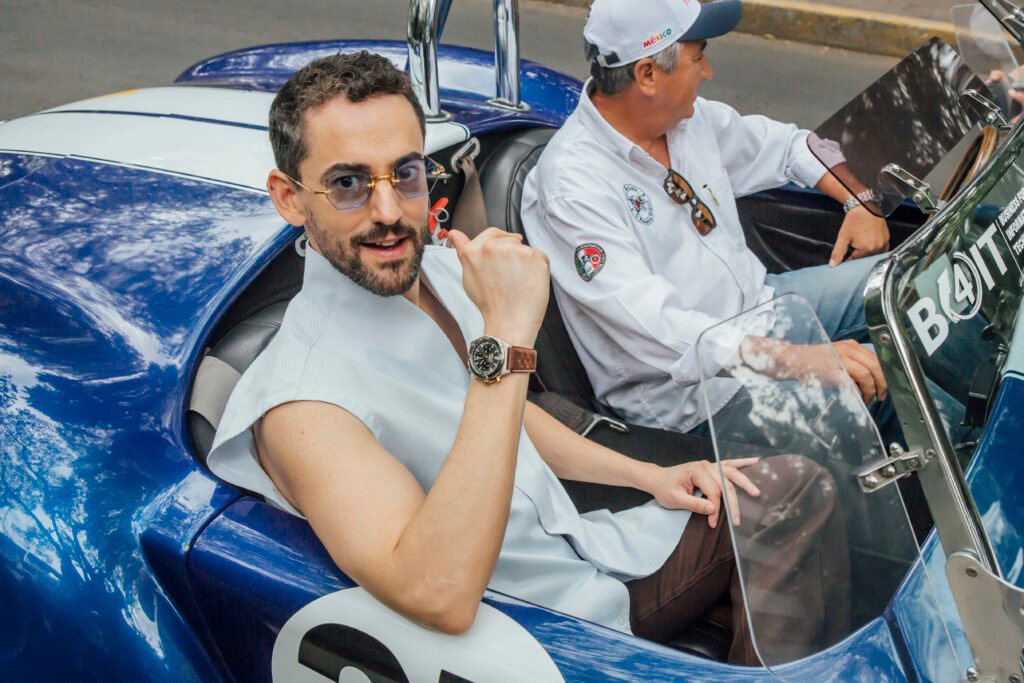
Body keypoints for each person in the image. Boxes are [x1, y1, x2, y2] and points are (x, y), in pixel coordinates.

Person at [207, 50, 849, 666]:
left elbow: (511, 416)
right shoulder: (301, 403)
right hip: (547, 630)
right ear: (290, 198)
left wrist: (648, 478)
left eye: (404, 174)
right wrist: (510, 337)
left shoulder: (438, 274)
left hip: (584, 553)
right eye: (348, 183)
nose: (388, 212)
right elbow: (438, 593)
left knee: (789, 487)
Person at [520, 0, 895, 437]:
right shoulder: (574, 186)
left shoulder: (684, 122)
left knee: (911, 282)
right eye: (698, 57)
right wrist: (795, 359)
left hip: (761, 308)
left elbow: (790, 146)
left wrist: (858, 199)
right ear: (647, 75)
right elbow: (658, 331)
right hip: (692, 399)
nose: (708, 71)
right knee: (899, 398)